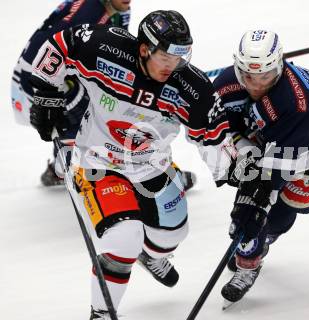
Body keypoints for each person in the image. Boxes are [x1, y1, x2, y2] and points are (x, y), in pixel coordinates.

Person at [29, 10, 230, 319]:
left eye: (179, 57)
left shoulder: (192, 88)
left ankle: (151, 256)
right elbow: (58, 45)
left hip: (151, 165)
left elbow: (215, 139)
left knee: (173, 234)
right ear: (144, 48)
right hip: (98, 161)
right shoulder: (104, 48)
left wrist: (245, 177)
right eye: (165, 56)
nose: (171, 66)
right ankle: (101, 313)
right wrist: (46, 95)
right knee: (124, 238)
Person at [212, 30, 309, 305]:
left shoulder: (296, 103)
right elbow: (220, 128)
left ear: (280, 65)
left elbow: (276, 168)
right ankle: (249, 261)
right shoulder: (227, 83)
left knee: (282, 213)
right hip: (270, 141)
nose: (256, 84)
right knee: (248, 214)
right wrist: (239, 151)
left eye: (265, 76)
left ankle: (259, 243)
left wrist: (256, 200)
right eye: (249, 76)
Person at [11, 0, 132, 186]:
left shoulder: (116, 9)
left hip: (55, 72)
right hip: (39, 77)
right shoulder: (89, 13)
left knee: (103, 102)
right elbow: (47, 53)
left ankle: (62, 169)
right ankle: (77, 171)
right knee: (88, 111)